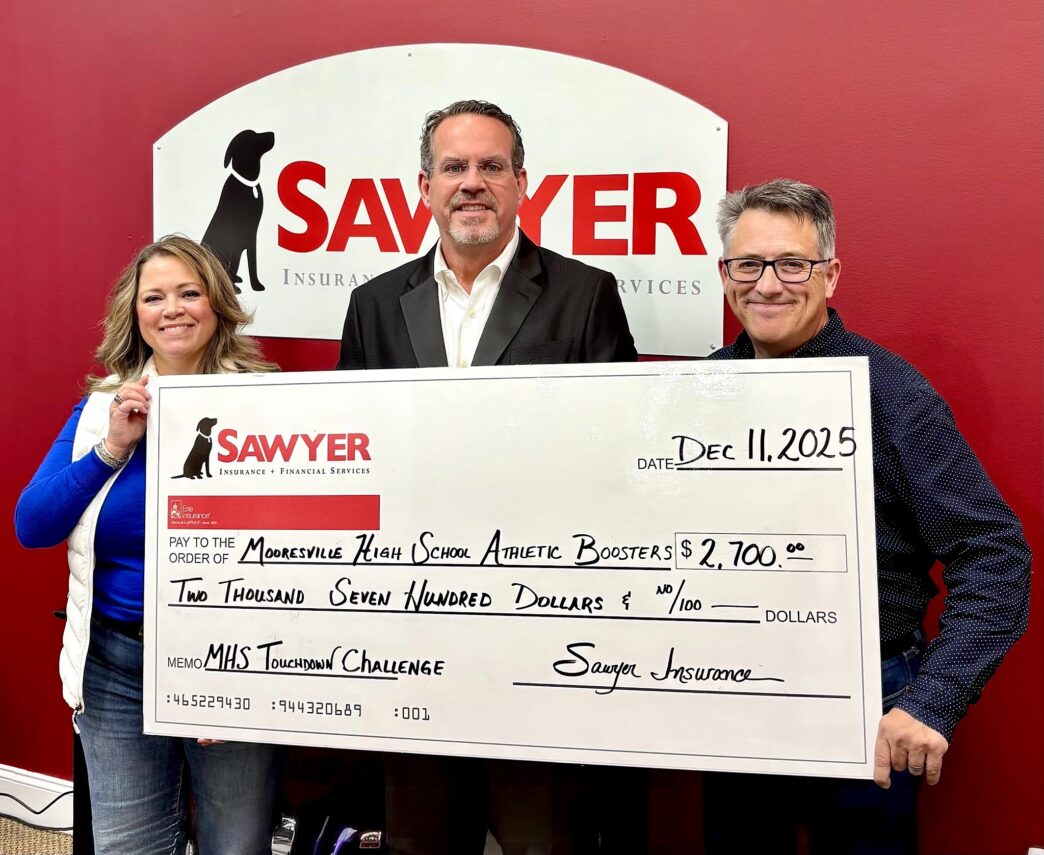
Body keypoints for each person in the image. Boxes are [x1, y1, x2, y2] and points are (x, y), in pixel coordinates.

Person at [337, 100, 639, 855]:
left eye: (491, 167)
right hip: (411, 631)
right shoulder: (373, 305)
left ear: (521, 183)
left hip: (539, 631)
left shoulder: (585, 294)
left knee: (542, 840)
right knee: (420, 839)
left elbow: (617, 460)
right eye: (454, 167)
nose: (472, 183)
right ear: (424, 187)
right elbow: (353, 464)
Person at [702, 178, 1031, 854]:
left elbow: (994, 555)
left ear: (830, 275)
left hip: (868, 698)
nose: (767, 285)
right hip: (732, 696)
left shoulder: (892, 395)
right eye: (748, 264)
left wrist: (932, 699)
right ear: (724, 274)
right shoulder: (696, 392)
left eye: (792, 264)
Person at [15, 236, 285, 854]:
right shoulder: (102, 409)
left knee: (236, 844)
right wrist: (112, 448)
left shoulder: (268, 405)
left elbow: (296, 544)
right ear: (134, 313)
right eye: (155, 297)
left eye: (190, 293)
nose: (173, 310)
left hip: (232, 660)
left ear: (217, 304)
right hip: (114, 665)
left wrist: (244, 680)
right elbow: (33, 527)